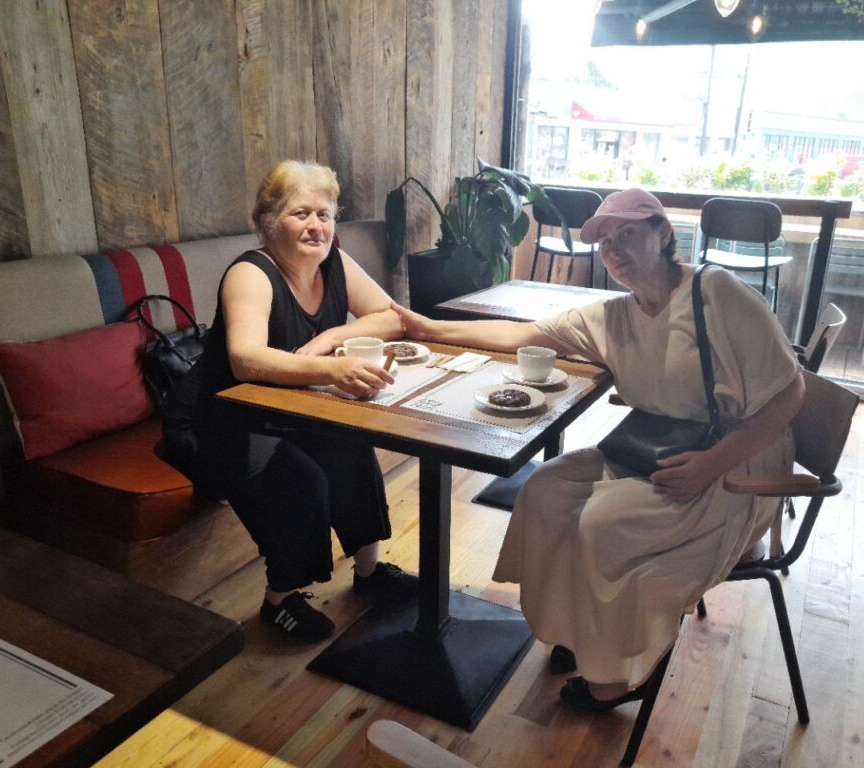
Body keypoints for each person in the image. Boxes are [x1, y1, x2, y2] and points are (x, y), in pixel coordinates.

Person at [390, 188, 804, 710]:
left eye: (627, 234)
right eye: (606, 242)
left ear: (663, 233)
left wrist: (711, 465)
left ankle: (618, 675)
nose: (614, 250)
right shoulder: (615, 315)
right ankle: (578, 633)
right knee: (545, 491)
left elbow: (792, 394)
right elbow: (526, 335)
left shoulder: (717, 293)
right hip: (652, 451)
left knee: (602, 521)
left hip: (735, 463)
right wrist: (427, 326)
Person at [163, 160, 414, 643]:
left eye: (325, 214)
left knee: (352, 449)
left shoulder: (334, 262)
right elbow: (245, 359)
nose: (316, 226)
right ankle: (278, 601)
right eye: (301, 213)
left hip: (284, 404)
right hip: (218, 417)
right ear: (268, 222)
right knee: (299, 481)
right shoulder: (251, 273)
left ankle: (370, 572)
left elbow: (391, 316)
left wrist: (329, 339)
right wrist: (332, 369)